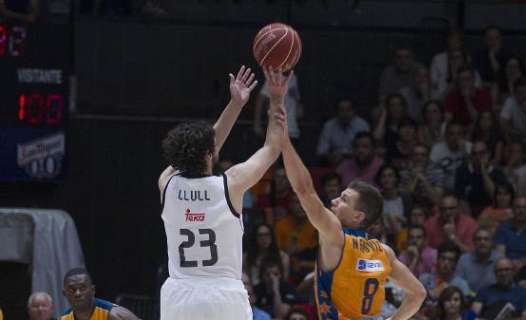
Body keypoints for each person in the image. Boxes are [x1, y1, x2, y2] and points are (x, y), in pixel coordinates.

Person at [158, 66, 288, 319]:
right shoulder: (231, 184)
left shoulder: (167, 183)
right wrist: (276, 97)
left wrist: (235, 105)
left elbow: (201, 149)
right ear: (210, 153)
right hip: (223, 295)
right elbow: (273, 148)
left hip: (179, 295)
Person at [281, 112, 426, 319]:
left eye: (343, 200)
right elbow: (418, 294)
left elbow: (304, 190)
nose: (334, 201)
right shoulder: (385, 252)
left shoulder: (336, 237)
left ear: (358, 216)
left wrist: (284, 143)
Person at [61, 268, 140, 320]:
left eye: (82, 288)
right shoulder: (64, 319)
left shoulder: (114, 315)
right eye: (72, 289)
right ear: (64, 293)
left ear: (92, 290)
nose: (77, 293)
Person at [454, 228, 502, 292]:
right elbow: (458, 285)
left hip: (494, 298)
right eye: (479, 239)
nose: (482, 242)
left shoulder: (499, 260)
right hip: (470, 298)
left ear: (492, 242)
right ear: (474, 242)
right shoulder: (464, 260)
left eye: (486, 239)